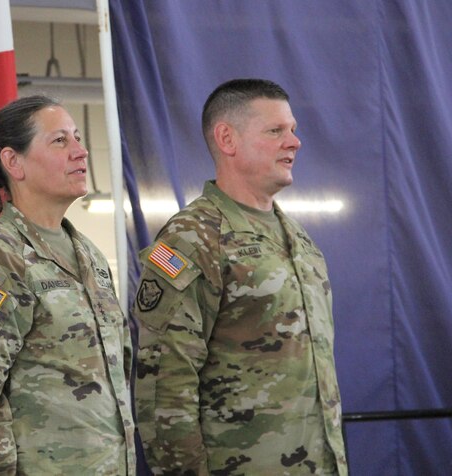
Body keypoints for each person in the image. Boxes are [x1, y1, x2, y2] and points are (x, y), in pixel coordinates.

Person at [133, 78, 347, 475]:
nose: (294, 142)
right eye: (276, 130)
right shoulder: (191, 238)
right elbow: (165, 387)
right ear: (227, 139)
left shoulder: (298, 238)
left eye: (293, 130)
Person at [0, 95, 136, 475]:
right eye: (60, 141)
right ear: (14, 162)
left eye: (78, 138)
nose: (81, 152)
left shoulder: (89, 254)